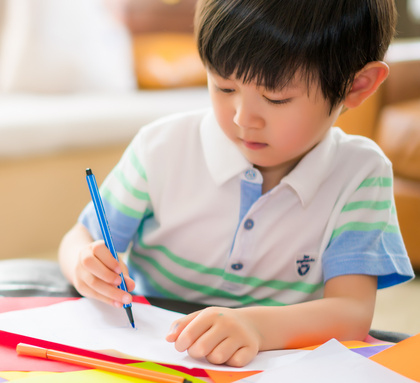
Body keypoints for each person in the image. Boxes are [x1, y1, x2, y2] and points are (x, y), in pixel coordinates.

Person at [59, 0, 414, 368]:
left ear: (356, 86)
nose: (244, 118)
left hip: (274, 365)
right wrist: (85, 264)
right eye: (224, 87)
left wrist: (256, 328)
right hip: (155, 353)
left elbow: (352, 312)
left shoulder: (360, 172)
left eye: (276, 97)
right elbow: (81, 239)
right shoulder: (162, 147)